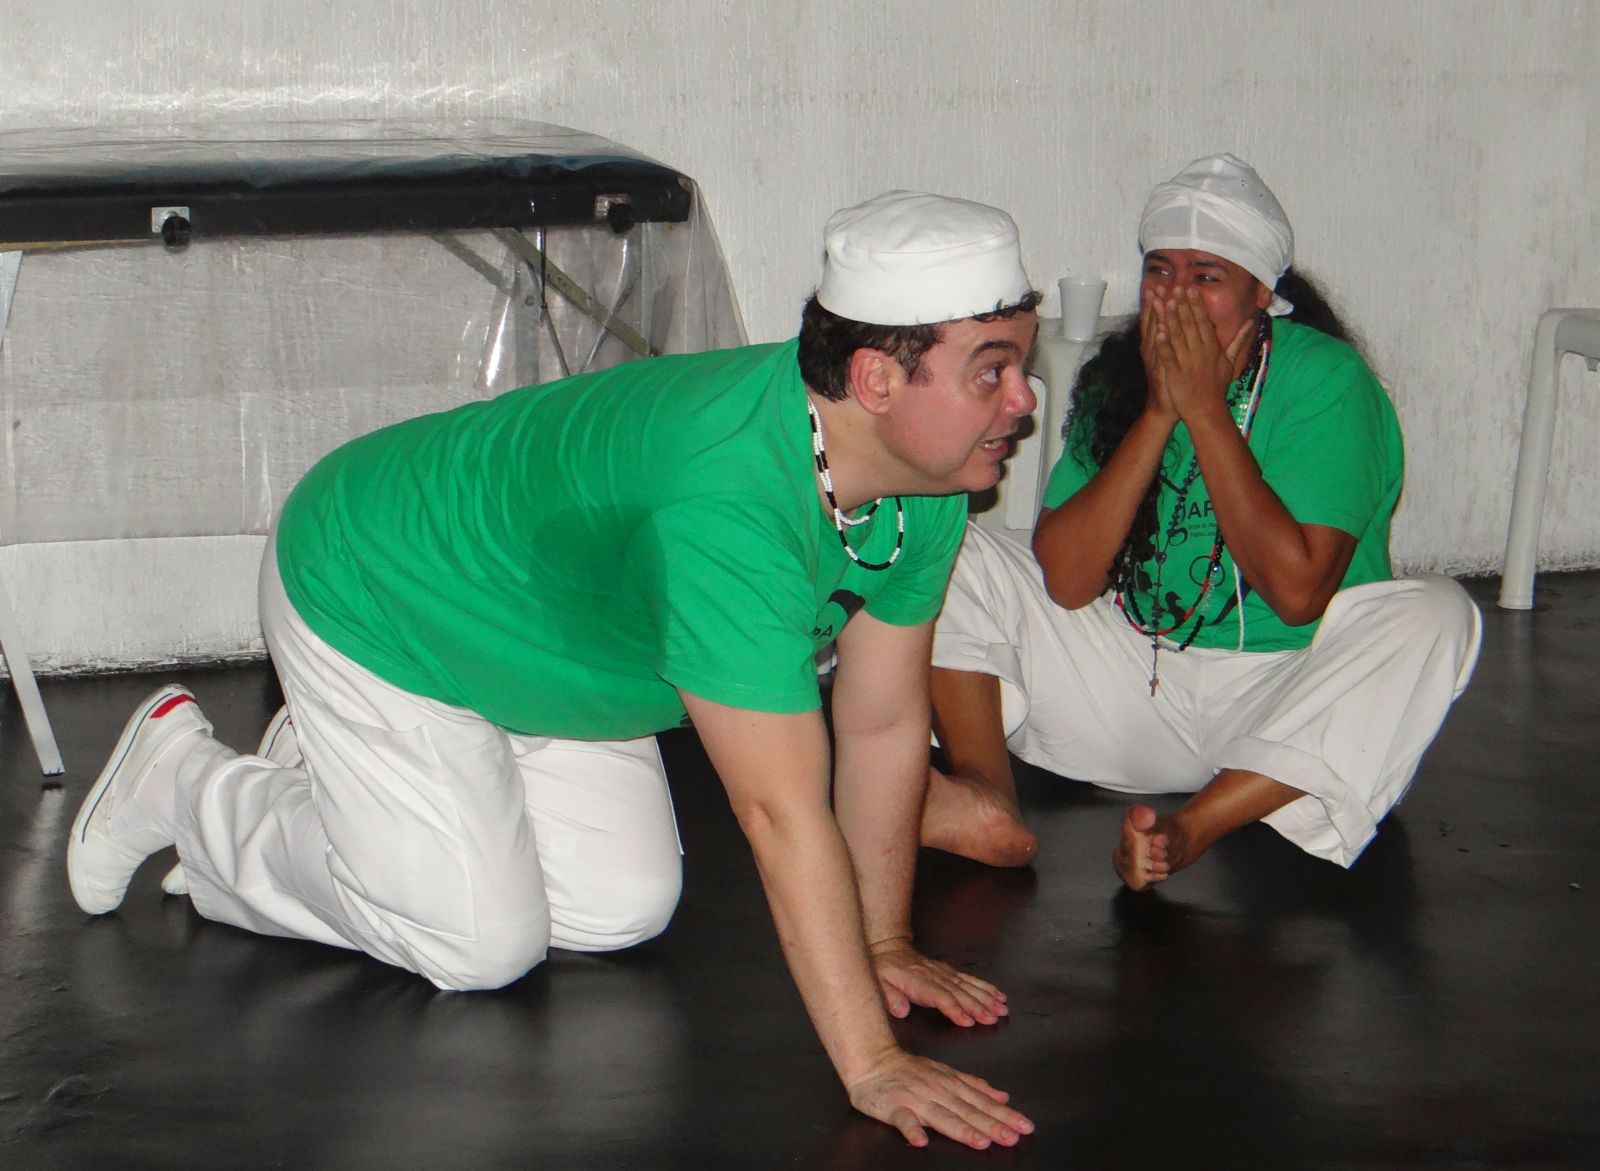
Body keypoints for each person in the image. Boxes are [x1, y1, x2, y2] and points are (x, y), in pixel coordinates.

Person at [67, 190, 1042, 1150]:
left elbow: (879, 724)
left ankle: (344, 775)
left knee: (620, 907)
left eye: (1021, 366)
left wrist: (881, 943)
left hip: (550, 643)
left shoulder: (921, 484)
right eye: (991, 371)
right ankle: (184, 780)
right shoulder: (729, 509)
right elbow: (780, 813)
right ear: (875, 380)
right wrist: (872, 1063)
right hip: (382, 589)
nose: (1024, 400)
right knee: (477, 945)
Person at [921, 154, 1481, 888]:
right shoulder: (1120, 375)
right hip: (1129, 684)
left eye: (1207, 276)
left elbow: (1298, 593)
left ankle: (1193, 828)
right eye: (1160, 270)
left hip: (1284, 701)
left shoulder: (1326, 379)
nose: (1176, 296)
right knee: (943, 537)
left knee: (1437, 611)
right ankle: (985, 800)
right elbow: (1068, 582)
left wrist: (1207, 411)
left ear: (1262, 294)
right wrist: (1159, 411)